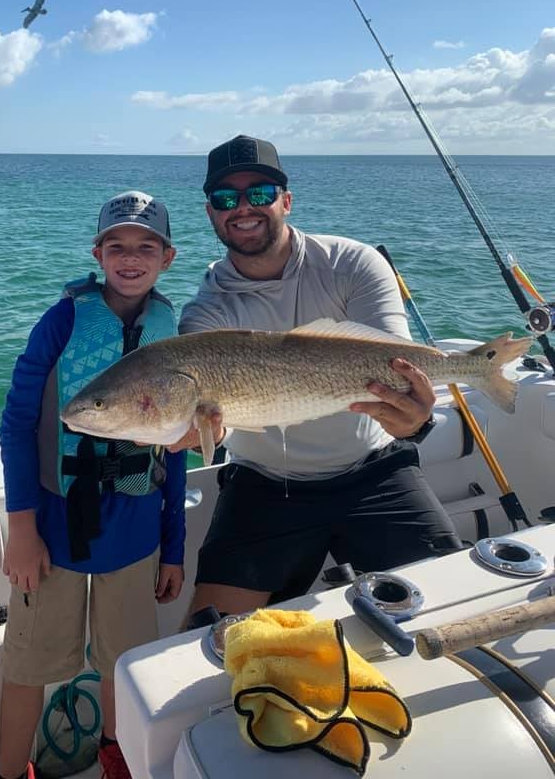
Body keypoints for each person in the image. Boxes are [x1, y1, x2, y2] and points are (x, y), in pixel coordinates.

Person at [177, 134, 461, 619]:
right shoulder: (208, 309)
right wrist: (194, 430)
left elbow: (394, 365)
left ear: (286, 201)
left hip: (373, 471)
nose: (243, 207)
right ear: (211, 214)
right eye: (226, 198)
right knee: (207, 639)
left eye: (260, 194)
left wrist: (411, 419)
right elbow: (205, 416)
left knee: (451, 608)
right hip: (263, 485)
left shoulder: (352, 263)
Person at [0, 191, 186, 779]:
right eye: (117, 247)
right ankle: (8, 771)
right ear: (98, 253)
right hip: (54, 530)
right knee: (28, 664)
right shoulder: (62, 321)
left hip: (134, 534)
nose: (131, 259)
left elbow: (174, 454)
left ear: (167, 257)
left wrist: (173, 548)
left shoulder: (170, 328)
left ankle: (115, 760)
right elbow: (17, 424)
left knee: (121, 664)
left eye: (145, 247)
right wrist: (22, 531)